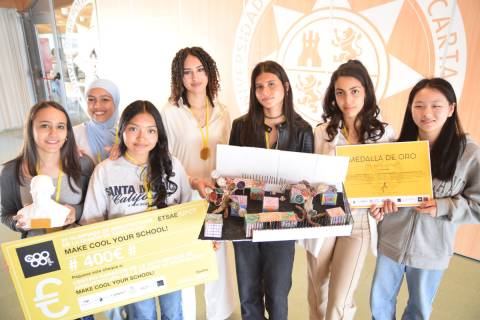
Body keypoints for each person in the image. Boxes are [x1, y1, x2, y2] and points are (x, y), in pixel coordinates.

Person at [369, 78, 480, 320]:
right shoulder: (397, 148)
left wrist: (442, 206)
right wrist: (380, 209)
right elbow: (381, 195)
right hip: (391, 244)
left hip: (432, 250)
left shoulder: (469, 154)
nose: (426, 113)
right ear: (410, 109)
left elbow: (478, 205)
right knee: (379, 306)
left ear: (451, 109)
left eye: (436, 105)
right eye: (419, 105)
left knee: (419, 310)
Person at [301, 59, 395, 320]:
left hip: (359, 222)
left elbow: (391, 184)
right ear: (333, 97)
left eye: (354, 91)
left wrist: (383, 203)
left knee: (339, 300)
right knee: (317, 294)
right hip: (322, 219)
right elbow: (307, 179)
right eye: (340, 93)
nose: (347, 100)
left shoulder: (385, 135)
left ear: (366, 92)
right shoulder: (321, 133)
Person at [80, 100, 191, 320]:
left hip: (169, 256)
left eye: (151, 131)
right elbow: (91, 221)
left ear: (159, 134)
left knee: (173, 312)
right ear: (122, 131)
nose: (142, 138)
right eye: (133, 129)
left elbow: (188, 208)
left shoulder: (173, 165)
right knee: (141, 314)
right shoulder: (106, 171)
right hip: (130, 263)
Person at [229, 60, 314, 320]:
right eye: (259, 87)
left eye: (271, 84)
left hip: (283, 222)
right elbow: (230, 174)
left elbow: (308, 184)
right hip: (245, 220)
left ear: (285, 87)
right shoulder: (241, 126)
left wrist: (302, 189)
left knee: (277, 295)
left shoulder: (302, 130)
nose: (265, 92)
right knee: (248, 294)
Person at [161, 47, 235, 320]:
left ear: (209, 72)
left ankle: (219, 314)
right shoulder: (169, 112)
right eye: (187, 72)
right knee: (188, 262)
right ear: (179, 78)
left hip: (215, 198)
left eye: (200, 70)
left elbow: (229, 152)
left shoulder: (222, 111)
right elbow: (164, 157)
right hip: (184, 196)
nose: (195, 77)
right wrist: (191, 181)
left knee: (216, 260)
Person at [1, 101, 94, 238]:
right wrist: (18, 223)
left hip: (76, 247)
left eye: (60, 127)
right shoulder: (11, 172)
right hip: (38, 253)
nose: (53, 133)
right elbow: (5, 215)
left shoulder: (82, 164)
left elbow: (95, 205)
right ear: (31, 130)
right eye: (45, 126)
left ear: (67, 132)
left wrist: (77, 212)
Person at [74, 78, 120, 165]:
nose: (97, 105)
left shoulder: (128, 135)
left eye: (105, 99)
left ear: (116, 102)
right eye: (91, 99)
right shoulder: (74, 134)